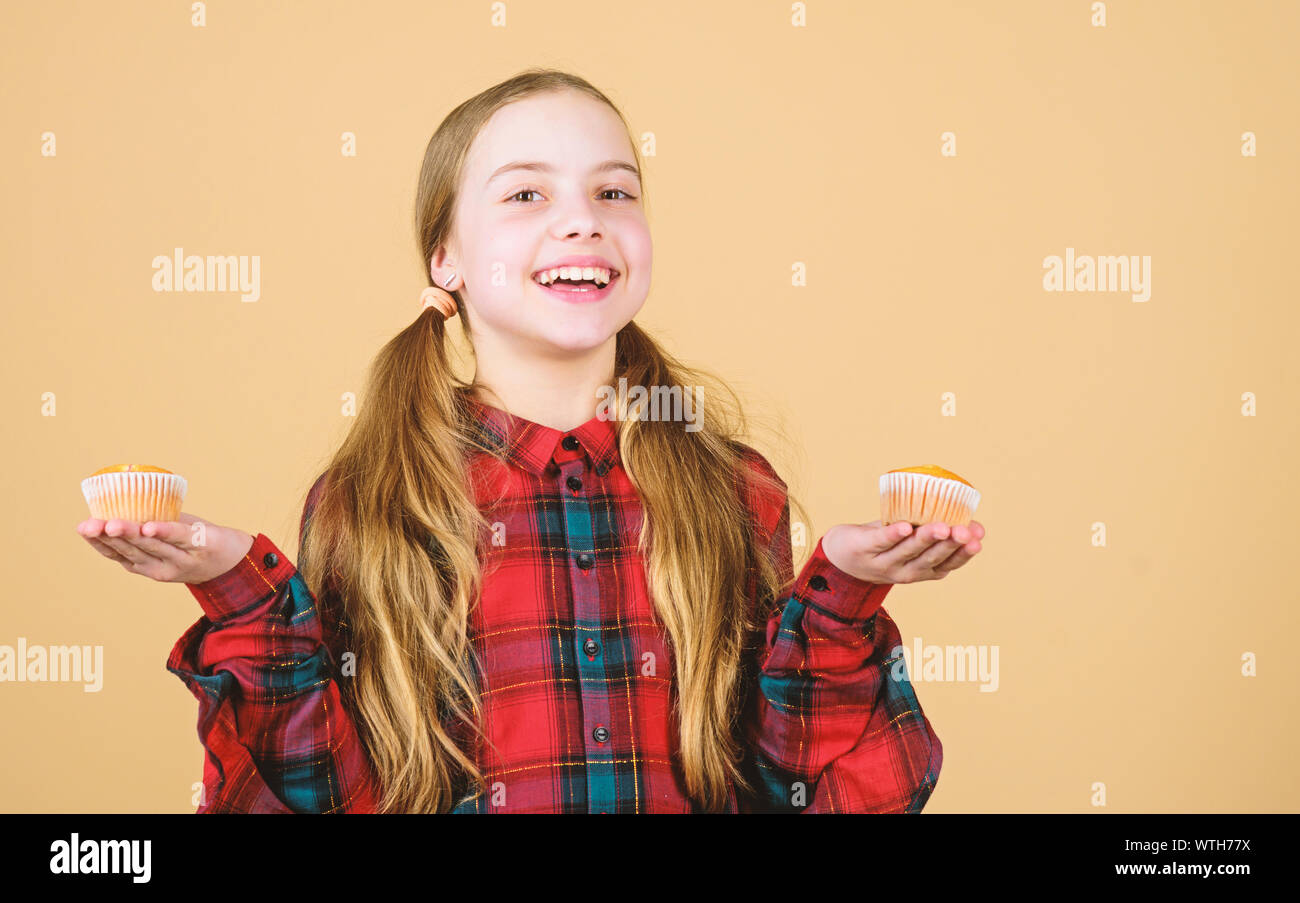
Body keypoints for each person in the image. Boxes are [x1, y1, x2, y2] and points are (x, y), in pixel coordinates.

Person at [75, 68, 984, 814]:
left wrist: (848, 594)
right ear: (447, 258)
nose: (583, 217)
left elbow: (791, 784)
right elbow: (333, 795)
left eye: (614, 190)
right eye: (525, 193)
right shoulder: (374, 501)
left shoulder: (733, 488)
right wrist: (243, 600)